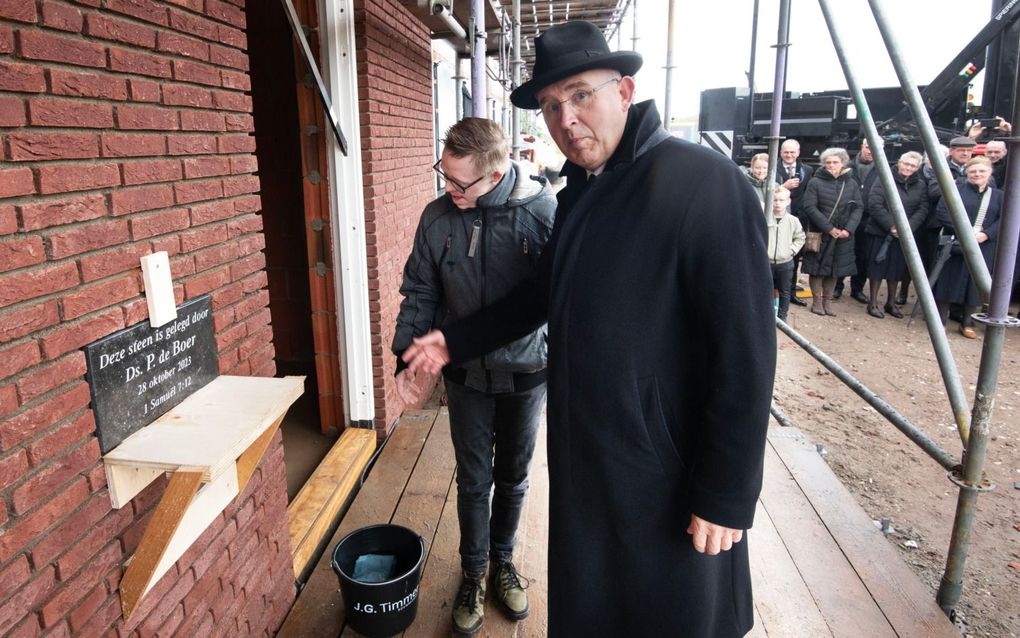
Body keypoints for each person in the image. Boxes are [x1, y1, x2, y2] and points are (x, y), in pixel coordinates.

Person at [403, 20, 776, 637]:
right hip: (588, 453)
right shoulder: (578, 191)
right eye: (550, 106)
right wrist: (453, 341)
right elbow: (540, 295)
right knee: (598, 605)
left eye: (579, 95)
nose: (565, 118)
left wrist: (727, 492)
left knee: (671, 614)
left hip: (669, 466)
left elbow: (747, 352)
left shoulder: (702, 183)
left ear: (624, 92)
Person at [391, 117, 556, 635]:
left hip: (527, 374)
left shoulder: (543, 213)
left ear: (498, 171)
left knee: (512, 477)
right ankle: (474, 570)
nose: (449, 189)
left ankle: (503, 562)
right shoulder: (437, 217)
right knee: (472, 480)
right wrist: (407, 359)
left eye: (461, 183)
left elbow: (559, 300)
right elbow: (420, 291)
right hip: (463, 376)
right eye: (444, 174)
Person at [933, 156, 1003, 339]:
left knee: (975, 285)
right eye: (973, 171)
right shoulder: (955, 190)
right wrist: (965, 233)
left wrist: (986, 234)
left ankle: (967, 322)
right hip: (957, 242)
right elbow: (942, 212)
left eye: (981, 171)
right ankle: (940, 320)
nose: (977, 174)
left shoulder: (998, 196)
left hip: (984, 244)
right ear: (967, 173)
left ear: (989, 173)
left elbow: (1003, 219)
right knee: (948, 281)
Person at [862, 151, 928, 319]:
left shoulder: (920, 185)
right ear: (899, 162)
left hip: (904, 235)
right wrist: (891, 225)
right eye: (906, 163)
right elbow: (875, 203)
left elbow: (923, 208)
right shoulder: (884, 178)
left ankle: (891, 302)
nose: (908, 167)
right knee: (877, 269)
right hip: (880, 232)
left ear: (917, 168)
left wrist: (907, 228)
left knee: (896, 270)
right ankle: (873, 303)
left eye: (912, 165)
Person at [800, 147, 864, 317]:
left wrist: (848, 230)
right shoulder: (815, 182)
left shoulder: (851, 183)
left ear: (843, 163)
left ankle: (827, 301)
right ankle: (816, 302)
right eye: (827, 162)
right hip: (821, 234)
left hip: (843, 235)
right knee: (817, 269)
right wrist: (829, 228)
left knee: (835, 269)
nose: (831, 165)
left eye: (835, 162)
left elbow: (858, 207)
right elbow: (809, 207)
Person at [840, 138, 881, 303]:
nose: (870, 151)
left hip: (868, 219)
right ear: (861, 147)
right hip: (846, 216)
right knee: (842, 252)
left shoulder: (882, 170)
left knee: (864, 256)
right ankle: (837, 287)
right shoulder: (848, 167)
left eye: (874, 148)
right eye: (867, 147)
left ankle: (857, 289)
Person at [777, 139, 814, 306]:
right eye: (786, 152)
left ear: (798, 153)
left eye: (792, 152)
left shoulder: (807, 170)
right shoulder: (773, 168)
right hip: (778, 218)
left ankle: (791, 291)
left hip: (798, 219)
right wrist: (783, 185)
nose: (789, 155)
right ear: (781, 153)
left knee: (794, 256)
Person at [767, 186, 805, 321]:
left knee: (785, 291)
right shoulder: (765, 218)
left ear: (788, 201)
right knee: (765, 291)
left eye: (781, 200)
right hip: (768, 262)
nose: (777, 203)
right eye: (775, 200)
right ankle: (766, 316)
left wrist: (791, 250)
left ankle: (782, 317)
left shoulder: (793, 221)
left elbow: (800, 237)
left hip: (785, 262)